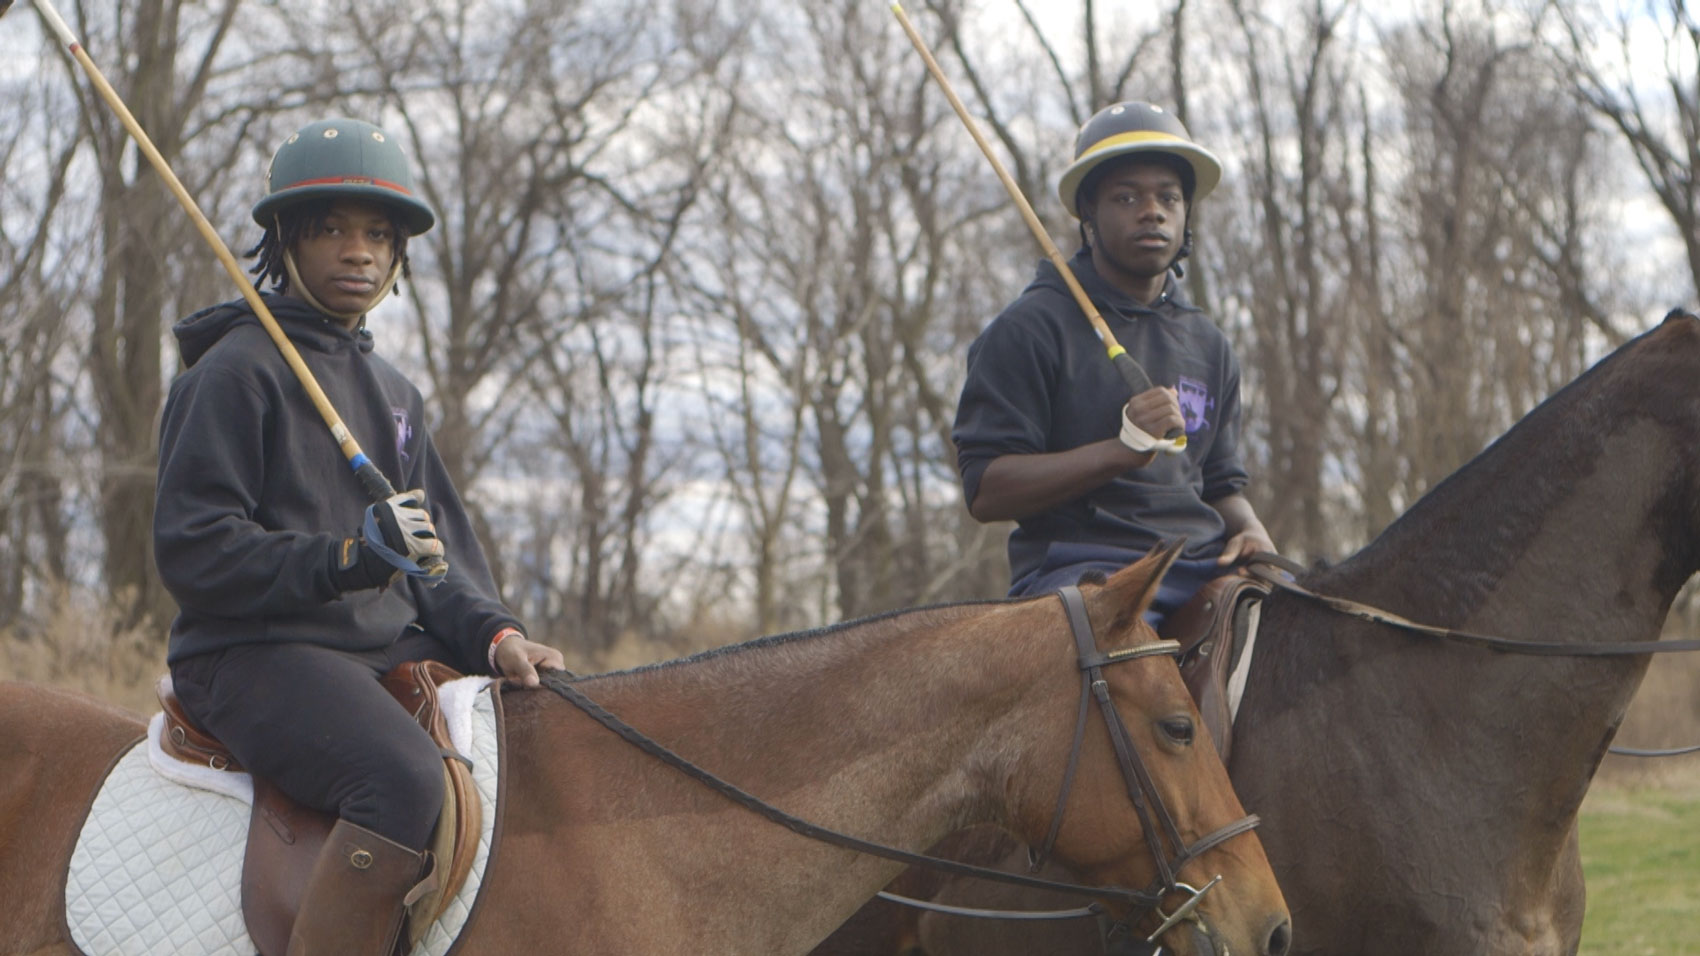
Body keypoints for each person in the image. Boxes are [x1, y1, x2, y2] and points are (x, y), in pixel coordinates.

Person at [153, 117, 565, 956]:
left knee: (553, 746)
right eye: (333, 229)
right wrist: (345, 560)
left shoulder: (395, 394)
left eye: (378, 233)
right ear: (285, 240)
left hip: (380, 647)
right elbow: (195, 551)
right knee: (400, 778)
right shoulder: (233, 373)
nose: (360, 252)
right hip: (251, 654)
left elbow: (434, 554)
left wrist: (495, 632)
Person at [952, 102, 1275, 627]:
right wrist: (1119, 451)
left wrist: (1253, 529)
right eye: (1127, 197)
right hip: (1082, 576)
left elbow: (1219, 484)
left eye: (1168, 197)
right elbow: (987, 489)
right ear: (1089, 213)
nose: (1153, 211)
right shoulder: (1029, 329)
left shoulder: (1207, 342)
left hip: (1202, 566)